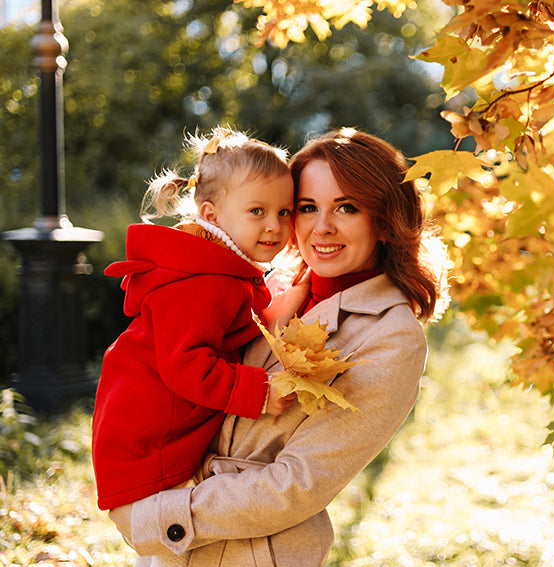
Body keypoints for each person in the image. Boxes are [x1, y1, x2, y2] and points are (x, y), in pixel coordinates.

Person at [108, 128, 449, 567]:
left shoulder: (392, 336)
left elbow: (300, 483)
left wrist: (161, 516)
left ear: (384, 220)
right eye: (307, 208)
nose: (321, 226)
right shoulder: (271, 285)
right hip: (173, 533)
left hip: (245, 549)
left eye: (346, 207)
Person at [92, 127, 299, 514]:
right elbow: (185, 364)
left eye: (283, 212)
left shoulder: (218, 268)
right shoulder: (204, 283)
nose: (274, 225)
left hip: (152, 430)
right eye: (258, 211)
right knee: (166, 540)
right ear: (211, 215)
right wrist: (258, 392)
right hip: (150, 442)